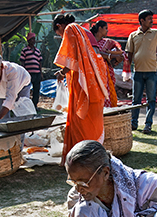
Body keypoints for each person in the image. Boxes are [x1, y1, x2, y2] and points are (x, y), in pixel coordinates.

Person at [53, 14, 108, 163]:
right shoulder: (84, 30)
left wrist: (62, 72)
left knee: (80, 120)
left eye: (58, 34)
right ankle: (94, 153)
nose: (61, 37)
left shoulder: (71, 29)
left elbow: (73, 57)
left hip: (83, 82)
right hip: (94, 81)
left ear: (59, 26)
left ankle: (82, 157)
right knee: (92, 118)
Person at [126, 10, 157, 134]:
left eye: (152, 18)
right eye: (149, 19)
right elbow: (129, 53)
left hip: (152, 71)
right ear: (142, 21)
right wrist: (127, 70)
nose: (152, 21)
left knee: (151, 100)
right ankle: (133, 123)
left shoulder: (156, 33)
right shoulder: (133, 35)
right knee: (136, 100)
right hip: (138, 72)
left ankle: (148, 124)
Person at [91, 20, 124, 107]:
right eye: (106, 28)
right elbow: (95, 53)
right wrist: (110, 55)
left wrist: (115, 57)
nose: (107, 31)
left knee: (107, 92)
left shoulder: (108, 42)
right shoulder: (90, 40)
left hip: (106, 73)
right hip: (92, 71)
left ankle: (107, 113)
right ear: (100, 28)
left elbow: (120, 53)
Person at [19, 32, 43, 108]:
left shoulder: (37, 51)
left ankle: (34, 105)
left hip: (37, 73)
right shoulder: (25, 50)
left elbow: (39, 62)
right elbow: (22, 62)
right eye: (31, 39)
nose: (33, 41)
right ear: (28, 40)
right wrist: (23, 72)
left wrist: (41, 73)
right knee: (26, 89)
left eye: (34, 39)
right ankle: (26, 105)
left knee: (36, 89)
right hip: (28, 73)